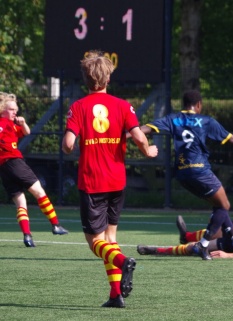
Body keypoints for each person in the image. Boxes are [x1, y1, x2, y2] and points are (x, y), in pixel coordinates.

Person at [62, 50, 158, 308]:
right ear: (108, 79)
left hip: (93, 182)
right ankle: (115, 295)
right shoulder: (123, 105)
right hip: (117, 180)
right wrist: (148, 150)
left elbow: (69, 144)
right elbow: (138, 136)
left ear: (85, 79)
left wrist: (68, 143)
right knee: (110, 238)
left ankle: (123, 261)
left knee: (95, 242)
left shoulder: (79, 107)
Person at [138, 90, 233, 260]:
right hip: (200, 170)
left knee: (218, 205)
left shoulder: (172, 119)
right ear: (198, 105)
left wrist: (122, 136)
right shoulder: (206, 121)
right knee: (225, 205)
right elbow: (232, 139)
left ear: (184, 104)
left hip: (183, 174)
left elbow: (143, 129)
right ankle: (204, 243)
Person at [137, 169, 233, 258]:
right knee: (213, 229)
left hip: (232, 244)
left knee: (195, 248)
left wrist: (227, 255)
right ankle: (185, 236)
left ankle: (157, 251)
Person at [0, 92, 69, 248]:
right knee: (39, 192)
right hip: (14, 162)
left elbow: (27, 132)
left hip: (4, 168)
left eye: (15, 110)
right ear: (2, 109)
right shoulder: (3, 122)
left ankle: (27, 236)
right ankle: (55, 225)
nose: (14, 112)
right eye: (11, 109)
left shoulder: (11, 124)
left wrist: (22, 123)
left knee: (21, 202)